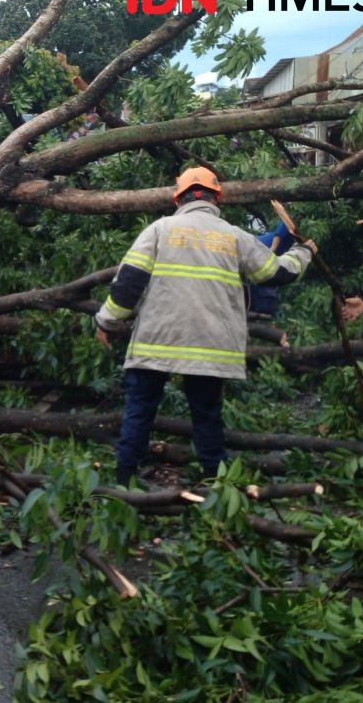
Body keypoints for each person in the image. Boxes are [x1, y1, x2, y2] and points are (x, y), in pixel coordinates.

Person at [94, 167, 317, 486]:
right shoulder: (235, 236)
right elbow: (277, 274)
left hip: (157, 341)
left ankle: (123, 481)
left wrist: (105, 321)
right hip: (210, 346)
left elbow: (128, 285)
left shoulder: (159, 230)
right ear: (217, 199)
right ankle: (214, 482)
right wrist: (304, 251)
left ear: (178, 198)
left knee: (140, 410)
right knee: (207, 415)